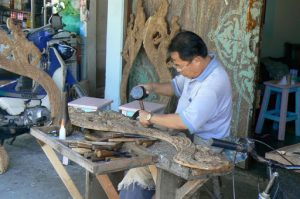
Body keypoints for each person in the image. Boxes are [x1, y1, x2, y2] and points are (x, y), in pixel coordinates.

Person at [118, 31, 233, 199]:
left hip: (206, 144)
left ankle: (157, 190)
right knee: (140, 164)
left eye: (179, 66)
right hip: (184, 135)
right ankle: (138, 188)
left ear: (196, 61)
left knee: (155, 163)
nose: (178, 70)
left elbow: (186, 122)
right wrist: (152, 87)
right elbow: (175, 86)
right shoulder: (198, 69)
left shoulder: (213, 84)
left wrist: (150, 118)